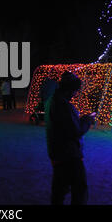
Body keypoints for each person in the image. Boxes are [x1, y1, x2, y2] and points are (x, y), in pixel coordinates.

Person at [46, 71, 95, 205]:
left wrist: (81, 119)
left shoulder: (54, 100)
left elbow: (66, 125)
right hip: (69, 154)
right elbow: (75, 131)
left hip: (57, 152)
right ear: (69, 90)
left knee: (59, 190)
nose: (75, 94)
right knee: (79, 188)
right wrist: (87, 120)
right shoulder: (63, 105)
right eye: (75, 91)